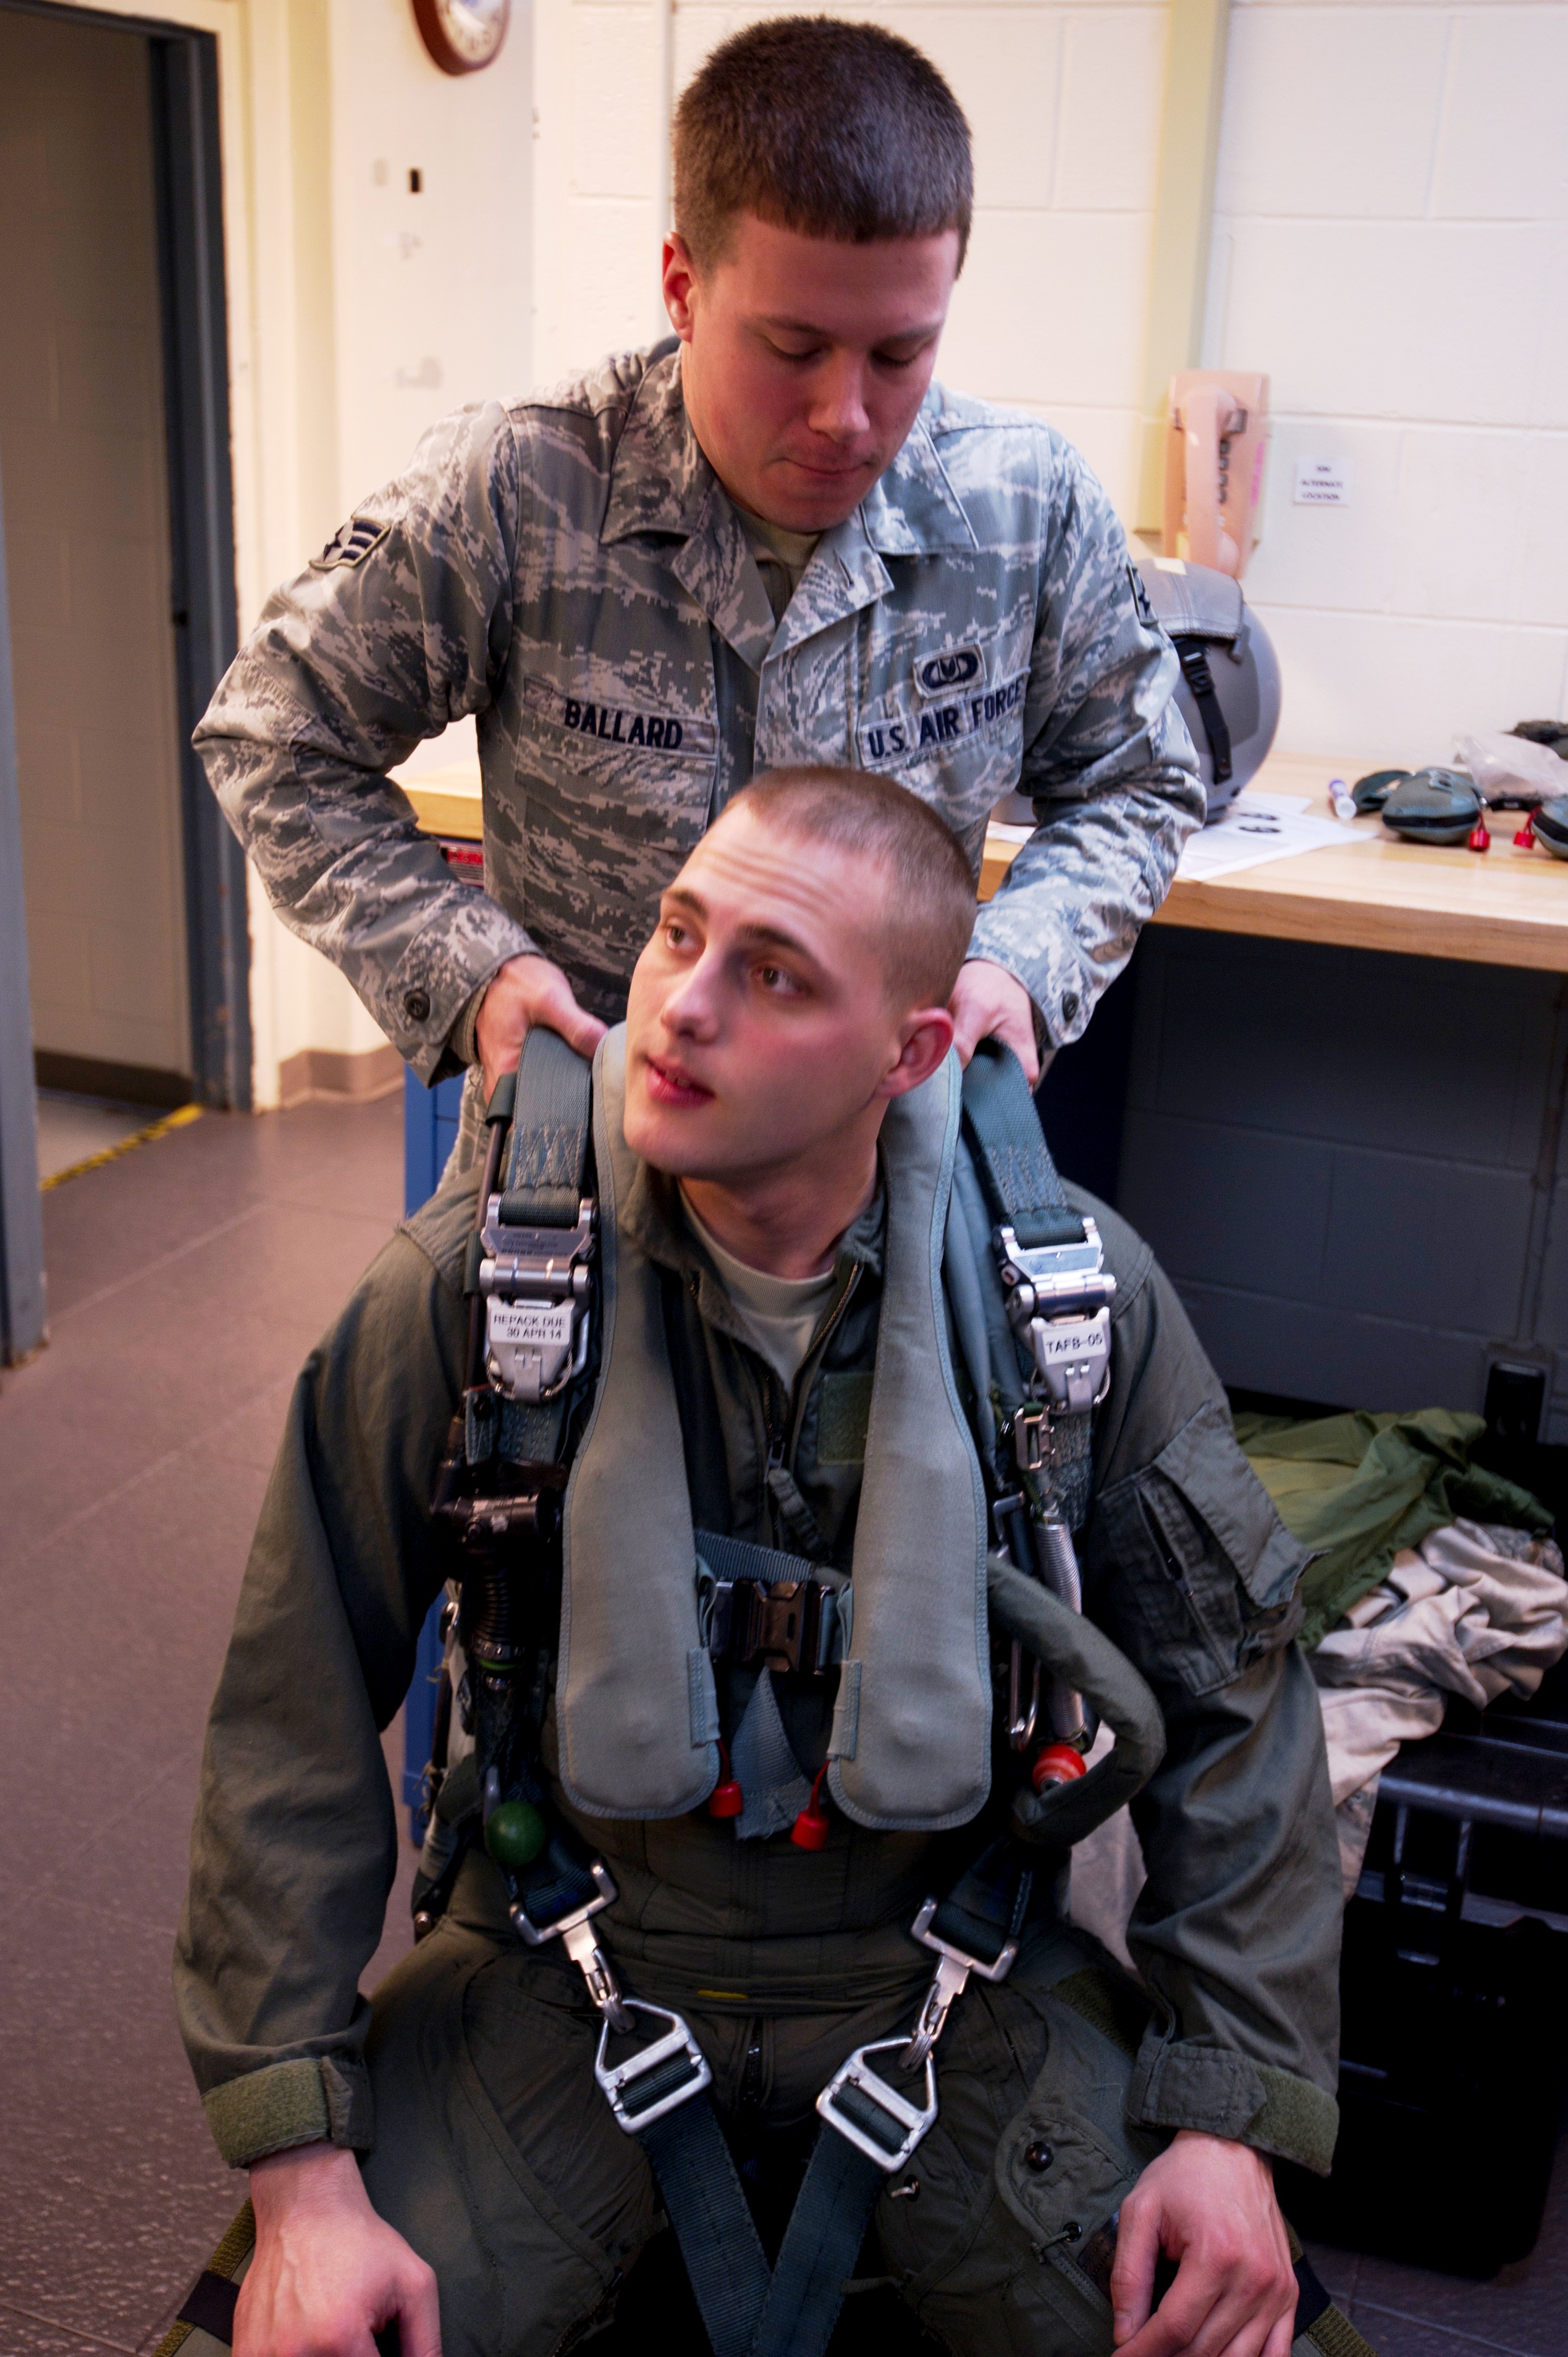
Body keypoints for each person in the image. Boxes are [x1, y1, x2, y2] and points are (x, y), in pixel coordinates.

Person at [174, 771, 1355, 2357]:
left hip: (951, 1970)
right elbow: (289, 1719)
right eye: (678, 933)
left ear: (912, 1051)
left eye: (775, 972)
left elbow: (1235, 1706)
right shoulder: (485, 1287)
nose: (679, 1009)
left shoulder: (1064, 1311)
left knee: (1241, 2334)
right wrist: (306, 2181)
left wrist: (1229, 2122)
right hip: (565, 1947)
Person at [193, 16, 1202, 1165]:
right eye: (791, 346)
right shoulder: (526, 487)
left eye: (897, 354)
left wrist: (1023, 959)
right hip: (580, 1168)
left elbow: (1141, 777)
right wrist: (467, 970)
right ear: (681, 286)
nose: (846, 415)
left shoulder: (1023, 509)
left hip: (883, 1177)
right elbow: (274, 738)